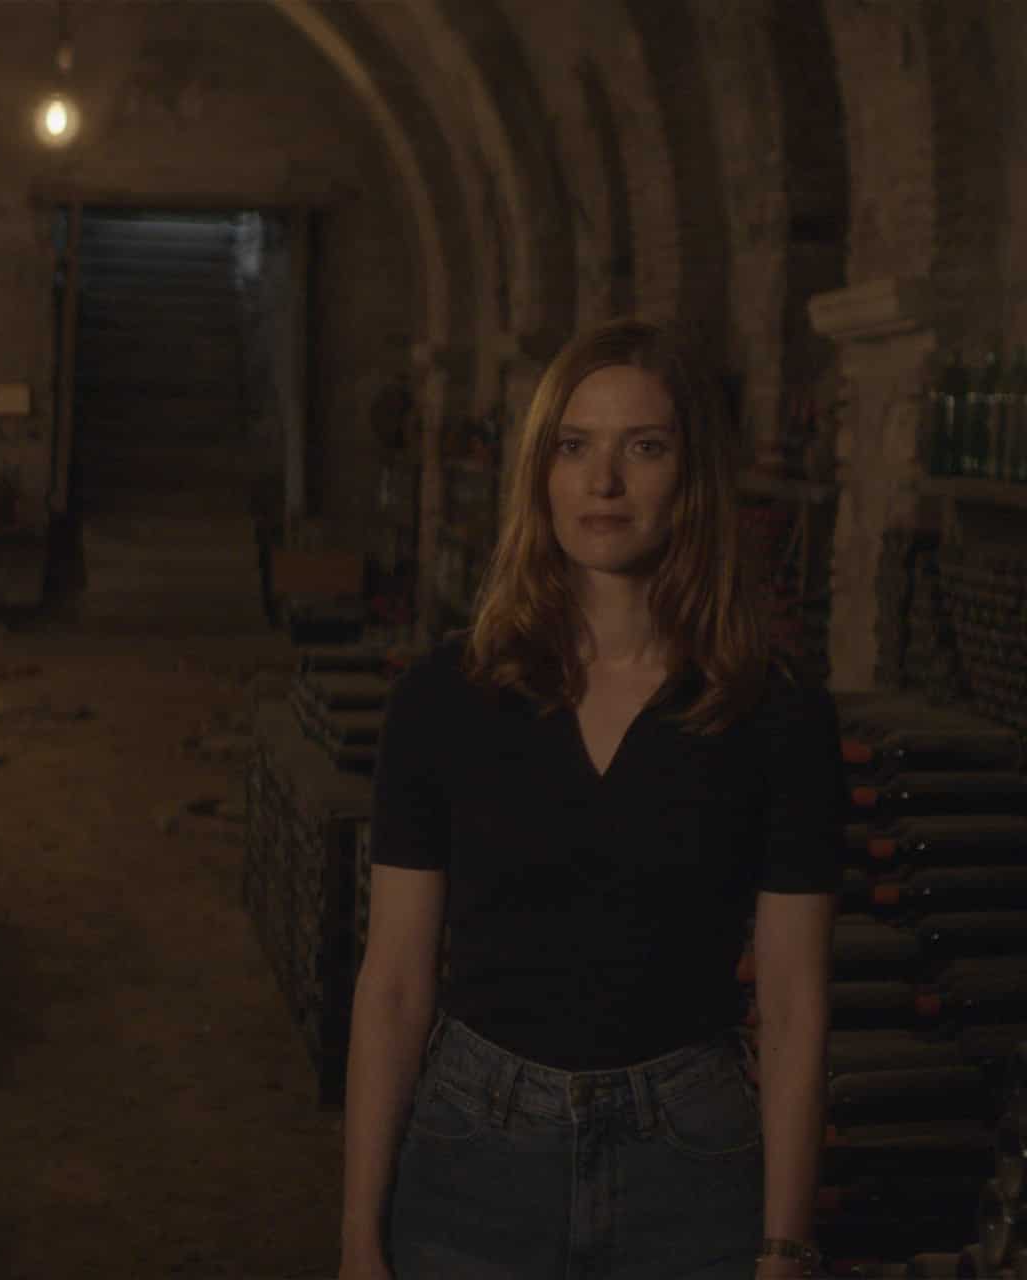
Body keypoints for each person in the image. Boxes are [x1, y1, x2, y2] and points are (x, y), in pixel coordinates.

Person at [339, 318, 841, 1280]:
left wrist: (785, 1243)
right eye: (575, 447)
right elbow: (395, 982)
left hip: (691, 1155)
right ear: (542, 472)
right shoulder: (445, 697)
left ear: (690, 478)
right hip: (473, 1151)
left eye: (643, 448)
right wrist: (360, 1235)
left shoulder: (775, 715)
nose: (603, 483)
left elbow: (792, 999)